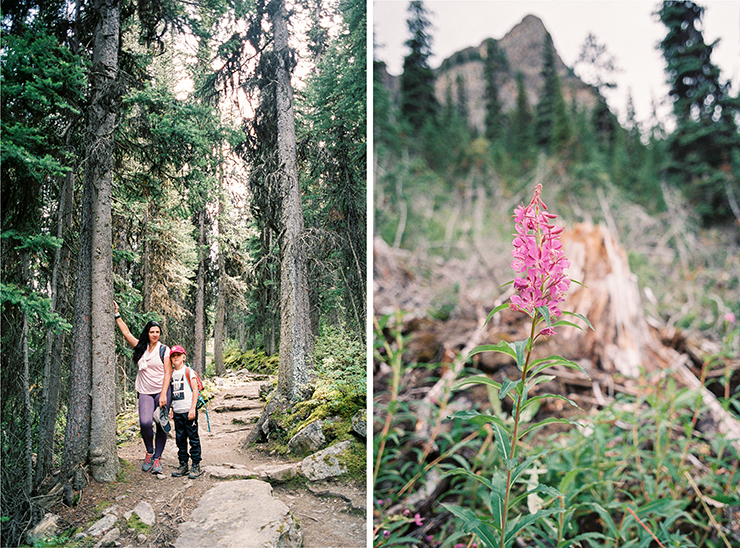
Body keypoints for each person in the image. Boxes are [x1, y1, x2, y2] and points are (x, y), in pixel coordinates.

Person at [114, 302, 172, 474]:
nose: (155, 335)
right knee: (145, 423)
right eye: (152, 332)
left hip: (161, 392)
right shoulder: (141, 347)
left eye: (157, 332)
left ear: (160, 334)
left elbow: (168, 374)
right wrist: (117, 315)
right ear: (148, 333)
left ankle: (158, 460)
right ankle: (149, 452)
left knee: (161, 424)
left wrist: (163, 394)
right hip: (145, 391)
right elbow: (126, 333)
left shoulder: (164, 350)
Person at [168, 345, 203, 479]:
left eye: (178, 355)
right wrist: (172, 410)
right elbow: (172, 393)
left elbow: (195, 390)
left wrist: (193, 408)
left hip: (189, 411)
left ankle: (196, 464)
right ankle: (183, 464)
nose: (176, 357)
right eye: (173, 355)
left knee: (193, 438)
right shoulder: (171, 373)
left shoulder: (189, 372)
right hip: (177, 412)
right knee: (180, 439)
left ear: (184, 357)